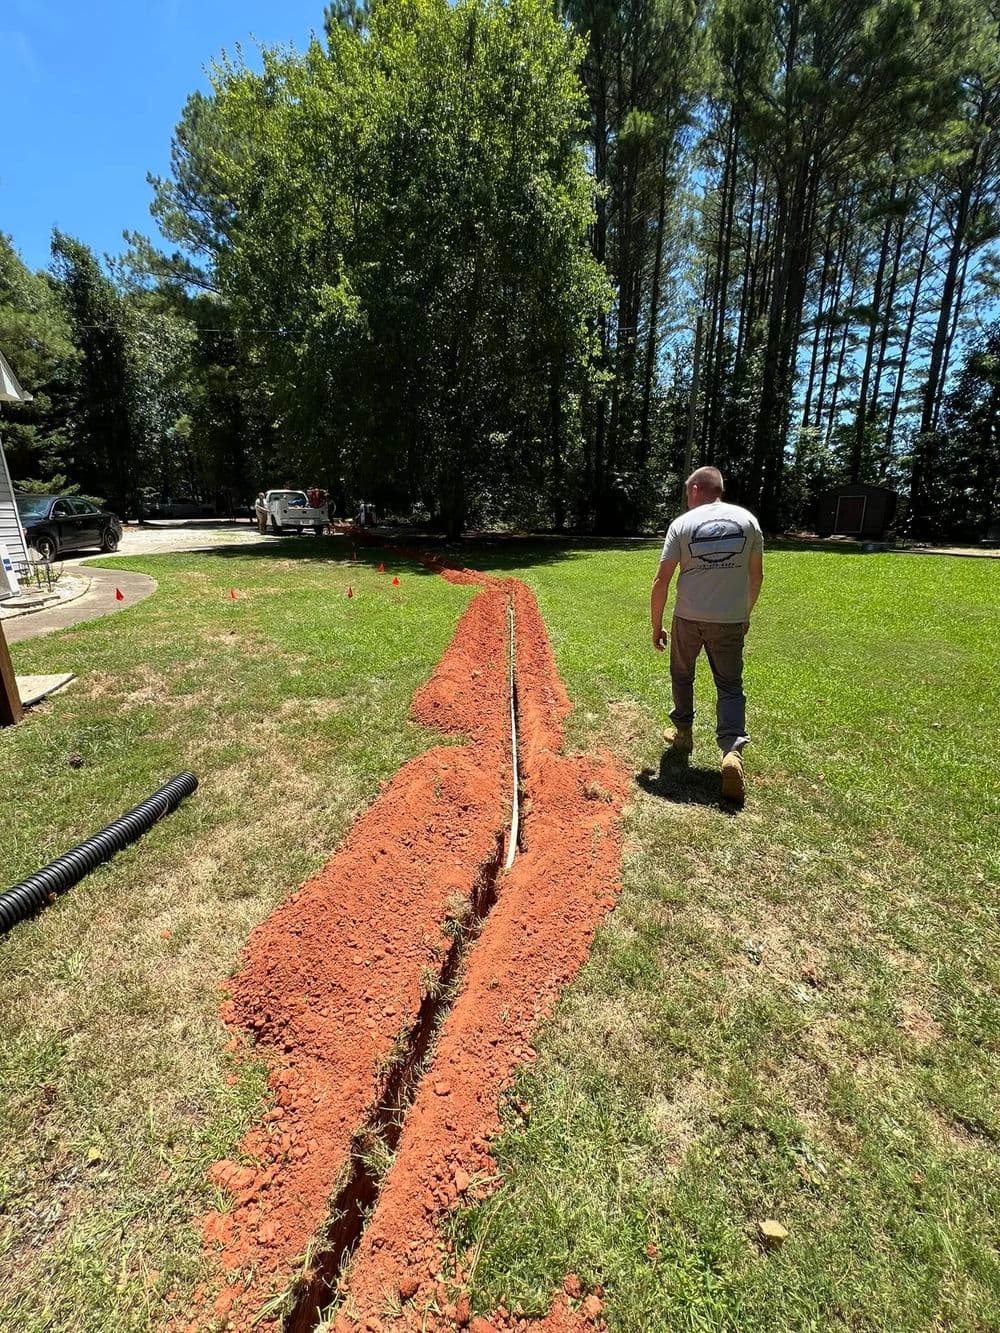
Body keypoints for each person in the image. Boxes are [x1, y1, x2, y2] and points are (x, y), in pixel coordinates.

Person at [650, 466, 763, 802]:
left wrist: (656, 625)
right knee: (729, 685)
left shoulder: (682, 525)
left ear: (697, 488)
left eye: (687, 492)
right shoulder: (748, 521)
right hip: (728, 620)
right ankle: (731, 751)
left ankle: (683, 733)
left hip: (688, 617)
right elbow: (756, 576)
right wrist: (744, 613)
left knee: (682, 675)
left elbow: (662, 580)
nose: (687, 498)